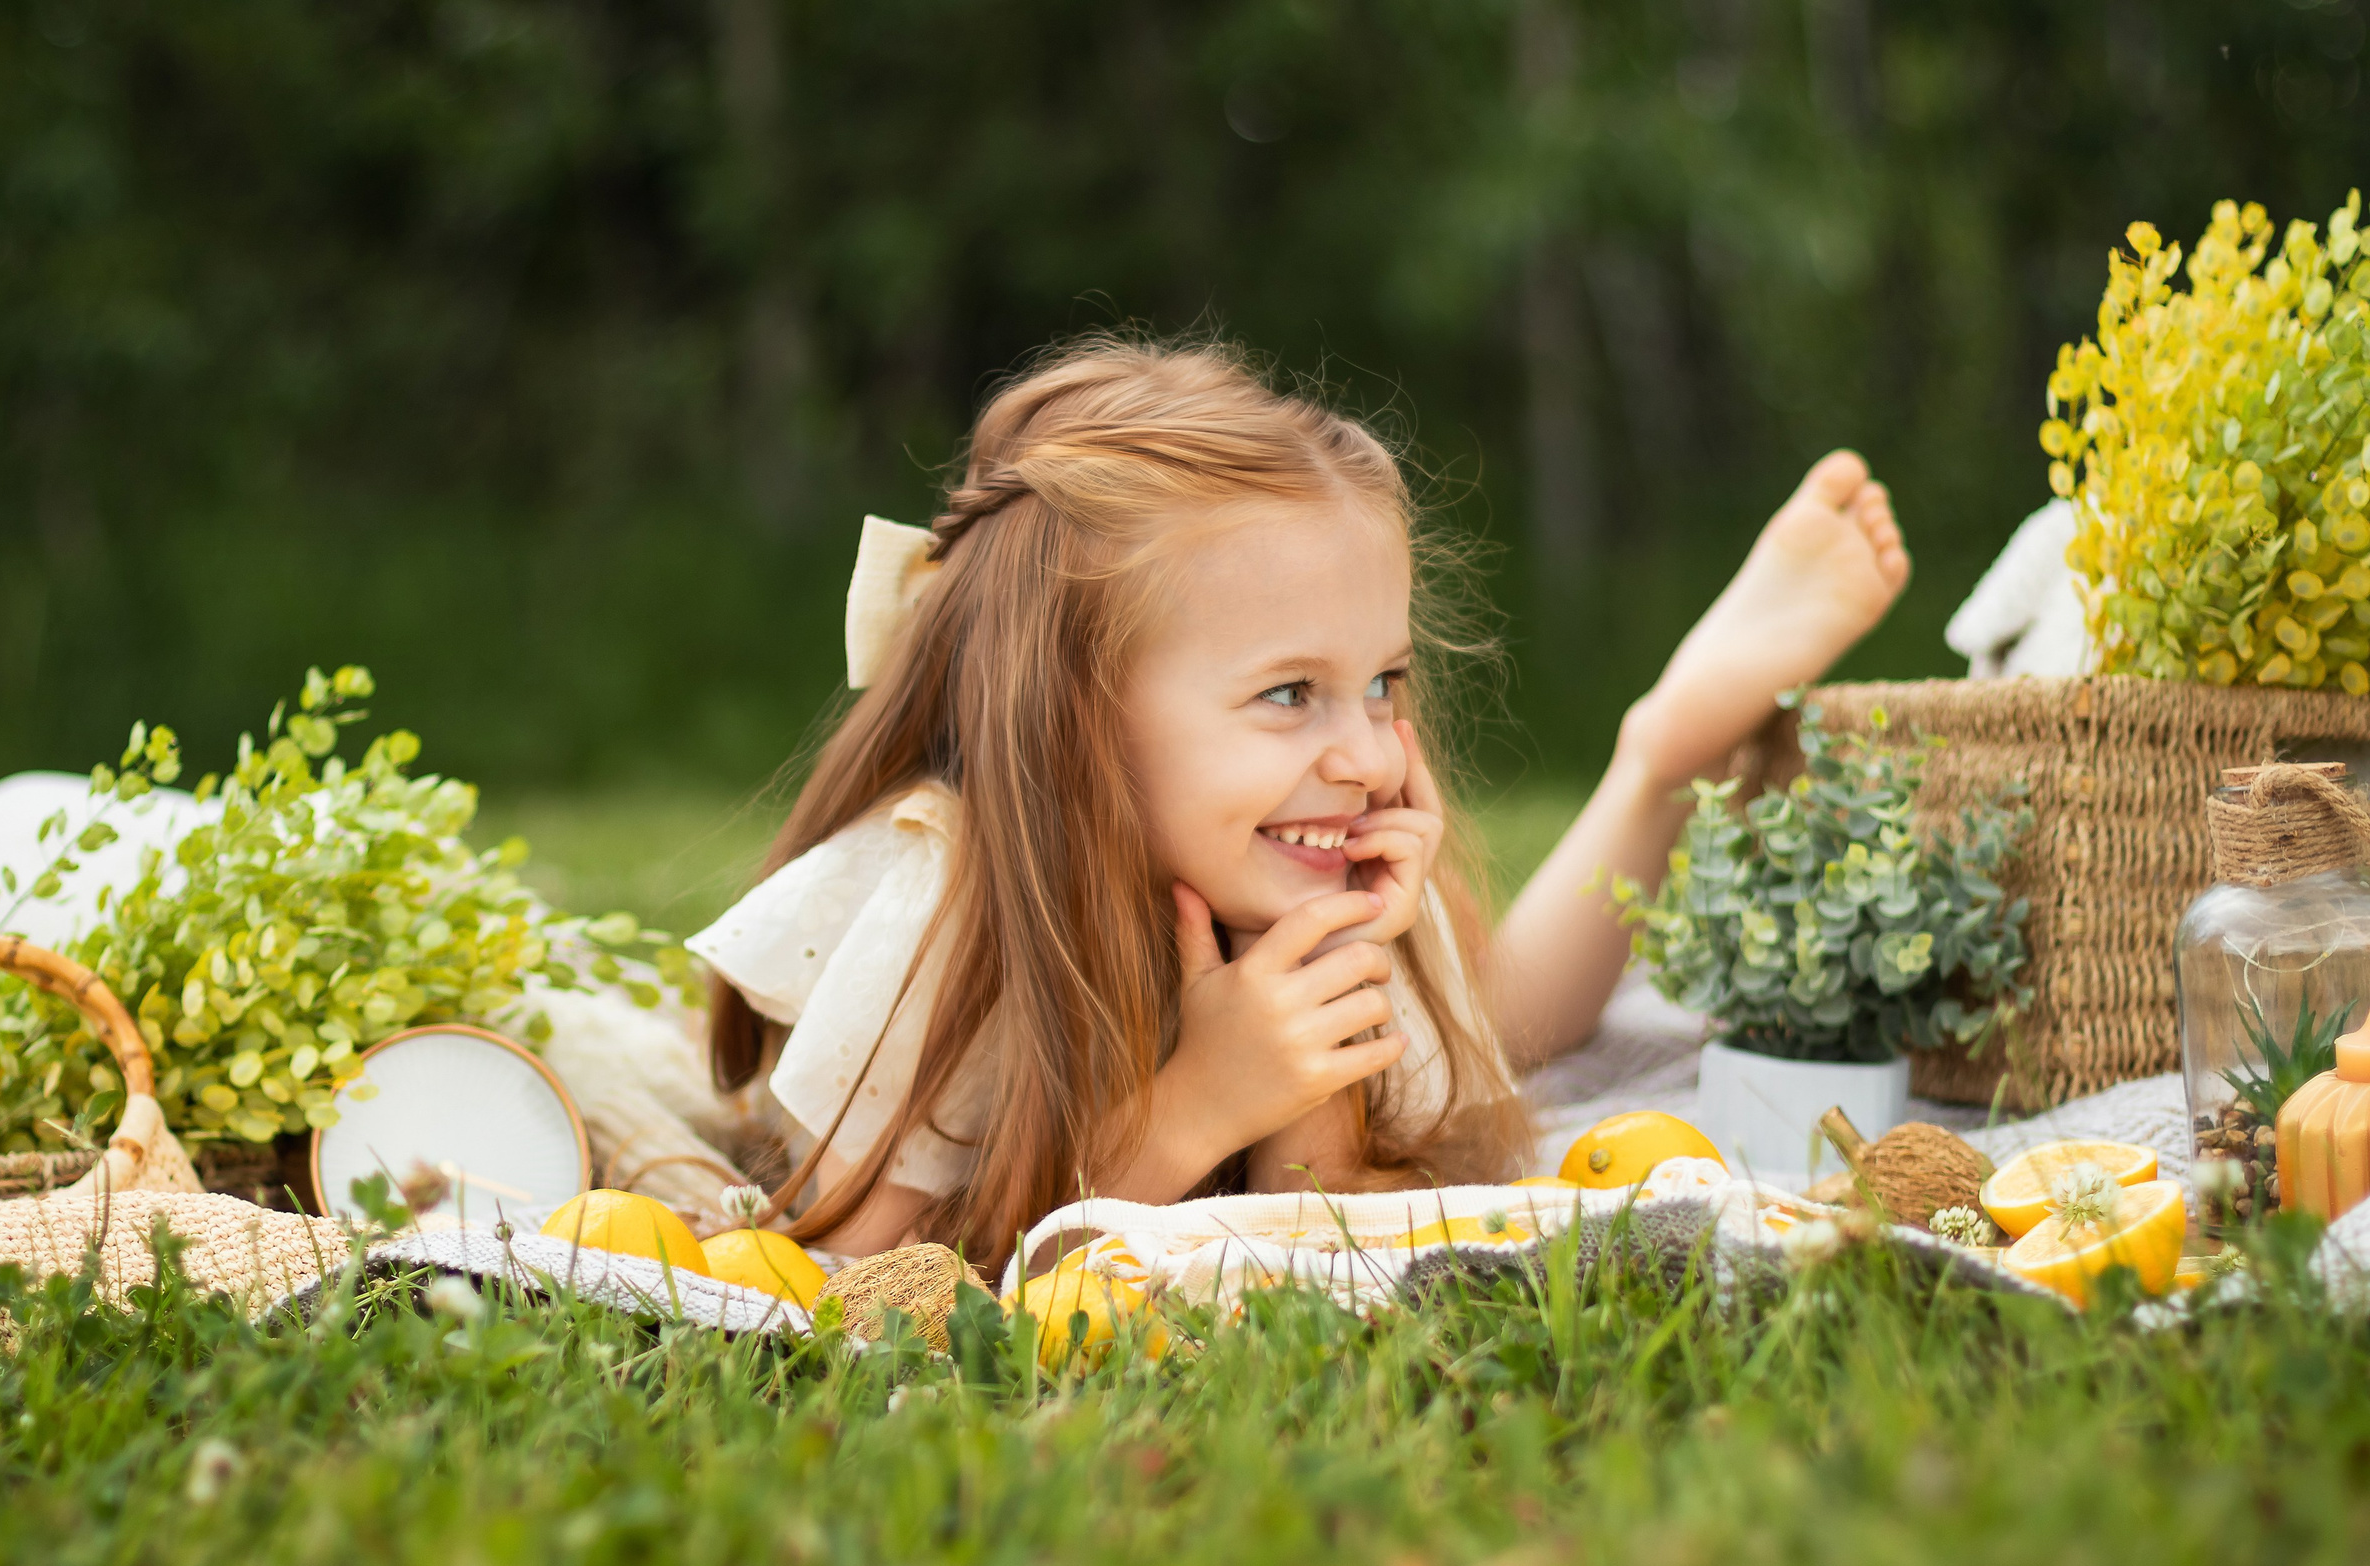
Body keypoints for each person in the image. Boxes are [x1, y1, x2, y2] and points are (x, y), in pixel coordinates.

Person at [690, 336, 1910, 1264]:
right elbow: (865, 1288)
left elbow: (1357, 1187)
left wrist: (1302, 1079)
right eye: (1288, 694)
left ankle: (1658, 759)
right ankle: (1656, 757)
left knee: (1496, 1013)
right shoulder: (944, 915)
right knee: (1501, 1015)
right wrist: (1187, 1113)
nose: (1372, 756)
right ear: (1074, 720)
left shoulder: (1299, 847)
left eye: (1382, 682)